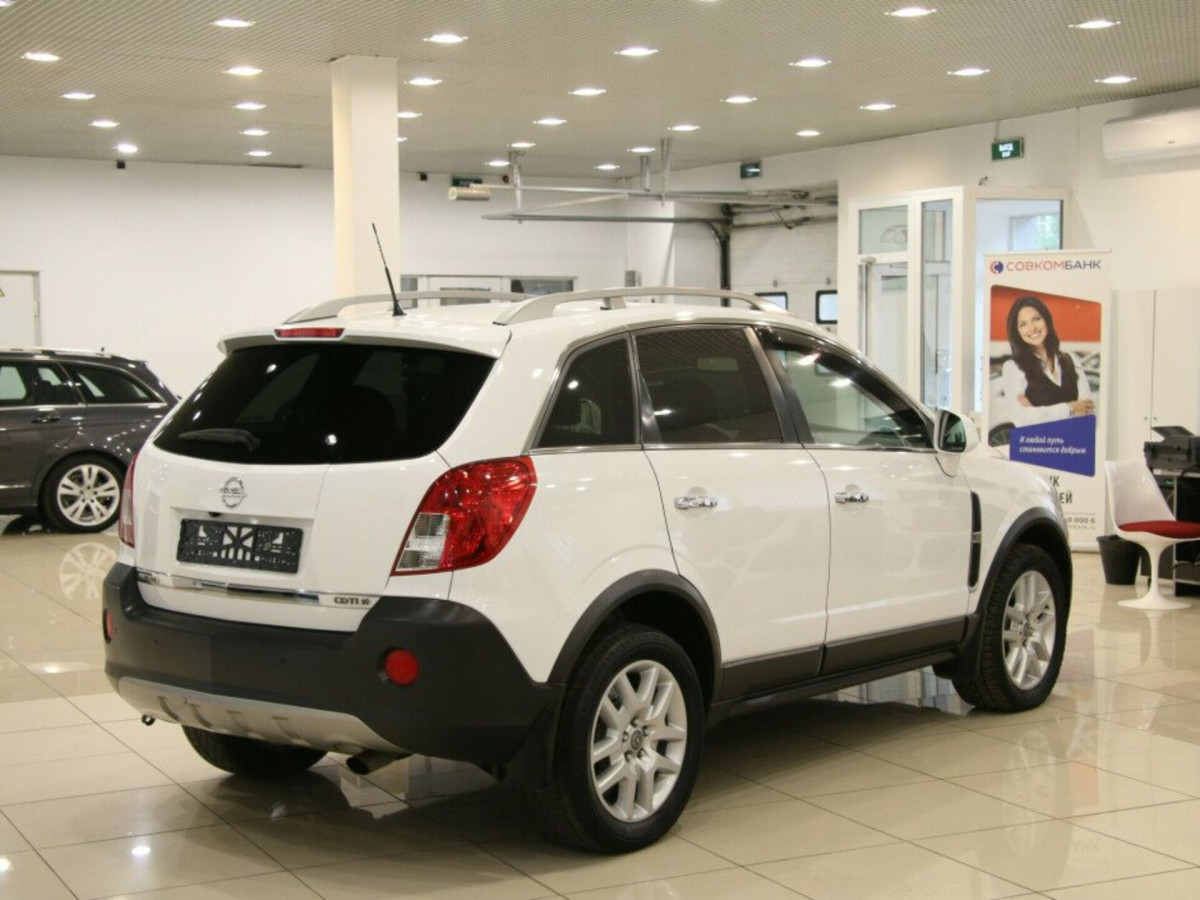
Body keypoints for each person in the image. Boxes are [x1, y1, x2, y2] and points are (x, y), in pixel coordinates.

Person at [1001, 295, 1094, 426]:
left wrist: (1038, 413)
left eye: (1036, 319)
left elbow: (1088, 411)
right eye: (1023, 324)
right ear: (1017, 332)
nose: (1032, 328)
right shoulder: (1013, 367)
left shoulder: (1071, 359)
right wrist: (1070, 408)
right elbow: (1022, 419)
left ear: (1046, 320)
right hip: (1039, 440)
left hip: (1076, 440)